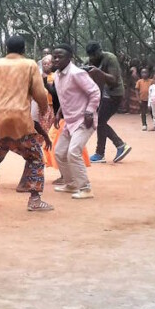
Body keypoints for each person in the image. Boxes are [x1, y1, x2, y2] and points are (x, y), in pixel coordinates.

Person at [0, 35, 53, 211]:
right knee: (36, 158)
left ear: (6, 49)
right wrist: (44, 110)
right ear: (23, 50)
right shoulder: (30, 65)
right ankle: (34, 200)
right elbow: (40, 93)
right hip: (21, 122)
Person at [52, 44, 101, 200]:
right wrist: (59, 112)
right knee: (59, 152)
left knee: (73, 152)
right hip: (69, 121)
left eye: (60, 56)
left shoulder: (76, 73)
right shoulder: (57, 76)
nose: (57, 59)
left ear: (69, 58)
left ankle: (85, 188)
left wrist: (89, 111)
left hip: (83, 120)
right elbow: (65, 96)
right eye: (55, 56)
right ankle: (71, 183)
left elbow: (94, 92)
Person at [85, 42, 132, 162]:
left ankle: (114, 147)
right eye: (92, 56)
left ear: (100, 51)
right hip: (102, 94)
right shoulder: (90, 61)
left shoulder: (110, 58)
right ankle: (104, 152)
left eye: (96, 54)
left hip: (114, 93)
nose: (94, 57)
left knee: (100, 121)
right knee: (100, 121)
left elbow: (114, 80)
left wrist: (98, 72)